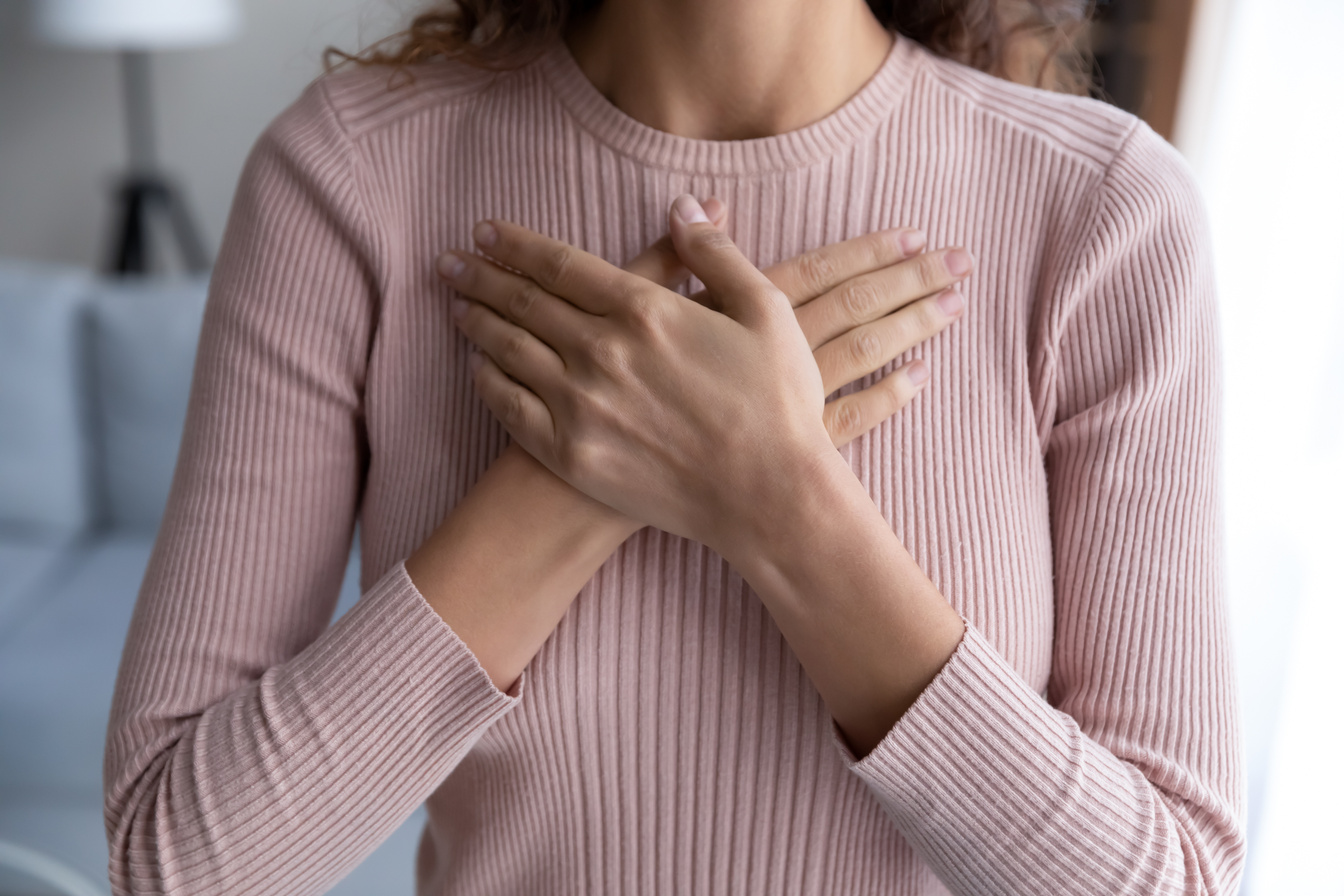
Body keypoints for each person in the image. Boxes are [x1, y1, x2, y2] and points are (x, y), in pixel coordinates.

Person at [102, 0, 1247, 893]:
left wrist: (779, 497)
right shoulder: (347, 181)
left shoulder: (1104, 213)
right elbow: (177, 858)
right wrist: (579, 475)